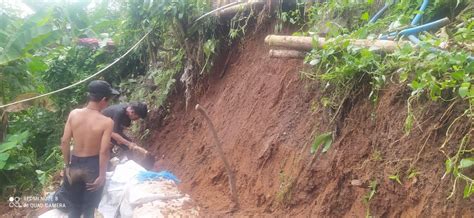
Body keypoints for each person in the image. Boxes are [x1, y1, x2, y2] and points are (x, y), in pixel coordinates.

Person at [59, 80, 119, 218]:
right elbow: (103, 151)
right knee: (89, 209)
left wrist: (67, 165)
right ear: (104, 100)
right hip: (93, 166)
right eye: (108, 100)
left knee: (74, 207)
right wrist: (102, 175)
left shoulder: (74, 114)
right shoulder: (106, 122)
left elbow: (64, 141)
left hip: (74, 164)